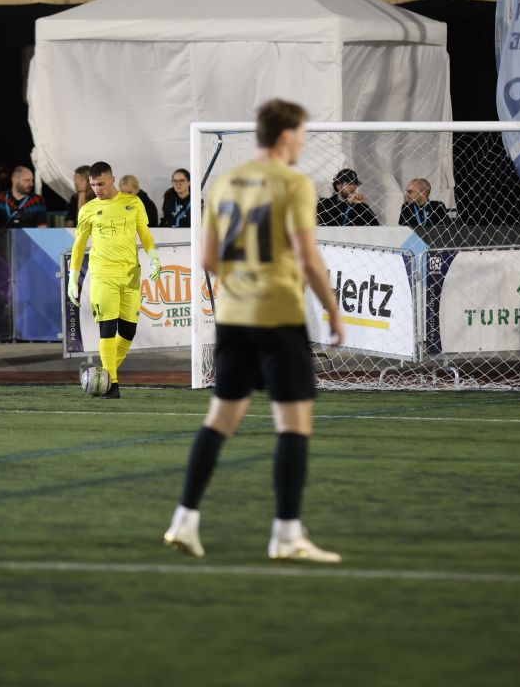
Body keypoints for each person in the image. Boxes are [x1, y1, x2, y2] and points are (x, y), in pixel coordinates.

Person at [163, 98, 346, 564]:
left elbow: (207, 259)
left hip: (232, 317)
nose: (304, 142)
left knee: (220, 419)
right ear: (285, 136)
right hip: (278, 315)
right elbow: (308, 257)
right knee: (293, 424)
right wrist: (333, 311)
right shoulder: (294, 183)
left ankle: (184, 520)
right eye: (302, 134)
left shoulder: (225, 183)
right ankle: (286, 533)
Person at [67, 161, 161, 400]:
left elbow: (145, 234)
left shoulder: (133, 202)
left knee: (128, 331)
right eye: (92, 185)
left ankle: (100, 374)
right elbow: (79, 246)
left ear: (112, 179)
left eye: (100, 184)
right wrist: (73, 278)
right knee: (107, 329)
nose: (96, 189)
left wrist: (155, 258)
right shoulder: (88, 209)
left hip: (130, 275)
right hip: (103, 275)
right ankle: (112, 385)